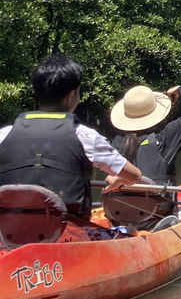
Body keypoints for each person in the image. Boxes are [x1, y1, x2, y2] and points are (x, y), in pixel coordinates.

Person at [0, 54, 142, 223]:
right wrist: (117, 179)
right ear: (72, 94)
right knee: (129, 232)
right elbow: (135, 176)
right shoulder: (86, 136)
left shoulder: (5, 134)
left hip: (8, 233)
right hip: (67, 233)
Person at [109, 84, 181, 183]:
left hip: (121, 197)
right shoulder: (165, 136)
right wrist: (180, 89)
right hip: (157, 197)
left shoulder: (116, 141)